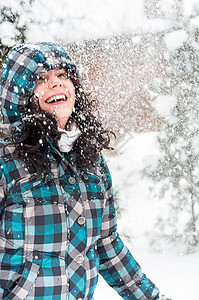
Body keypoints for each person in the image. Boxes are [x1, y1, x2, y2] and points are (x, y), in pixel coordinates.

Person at [0, 42, 169, 300]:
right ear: (19, 95)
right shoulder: (6, 160)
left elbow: (107, 246)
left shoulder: (91, 162)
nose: (56, 83)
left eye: (62, 75)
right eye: (41, 79)